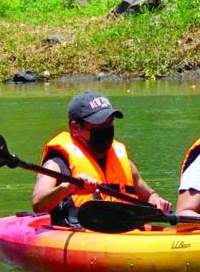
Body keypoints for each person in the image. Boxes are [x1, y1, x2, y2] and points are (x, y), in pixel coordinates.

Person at [32, 91, 172, 227]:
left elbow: (149, 195)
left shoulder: (124, 163)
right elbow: (38, 203)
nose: (106, 129)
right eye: (98, 124)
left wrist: (157, 200)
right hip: (82, 235)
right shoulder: (57, 163)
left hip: (126, 233)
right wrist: (67, 187)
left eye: (109, 123)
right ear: (75, 128)